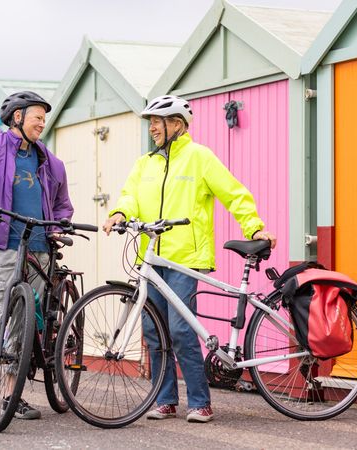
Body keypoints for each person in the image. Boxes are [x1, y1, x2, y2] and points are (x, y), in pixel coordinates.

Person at [103, 95, 276, 423]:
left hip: (186, 259)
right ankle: (164, 399)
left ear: (177, 124)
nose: (152, 127)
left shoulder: (199, 158)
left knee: (181, 330)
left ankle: (200, 401)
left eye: (157, 121)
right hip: (150, 259)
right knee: (154, 332)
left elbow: (233, 193)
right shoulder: (145, 164)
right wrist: (119, 213)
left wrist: (254, 227)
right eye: (150, 122)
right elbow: (130, 196)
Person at [0, 91, 74, 424]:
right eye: (37, 117)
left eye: (44, 119)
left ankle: (10, 395)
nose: (42, 123)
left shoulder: (49, 160)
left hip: (39, 248)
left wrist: (60, 226)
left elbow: (62, 203)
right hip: (3, 243)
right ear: (17, 117)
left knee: (25, 321)